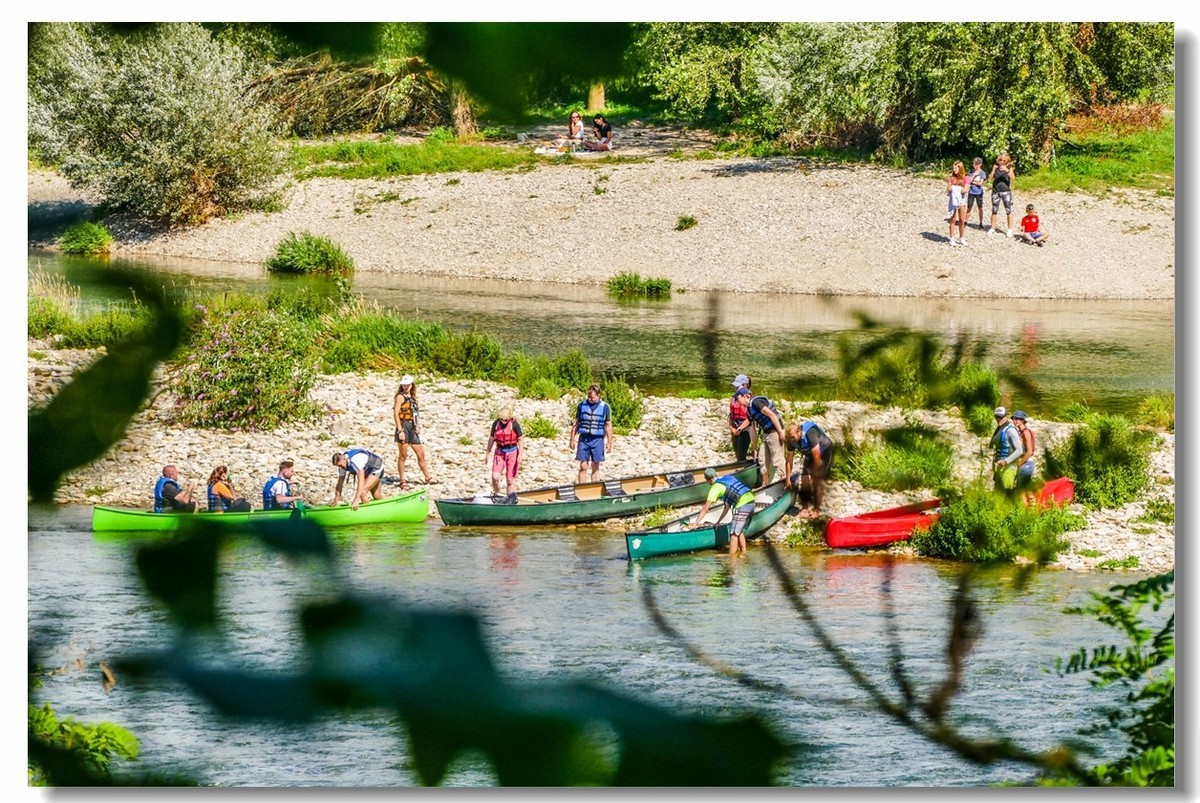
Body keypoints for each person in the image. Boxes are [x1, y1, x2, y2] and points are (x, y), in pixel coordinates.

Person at [690, 467, 757, 556]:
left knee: (733, 534)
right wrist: (718, 522)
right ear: (716, 474)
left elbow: (705, 508)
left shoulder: (715, 488)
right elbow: (727, 507)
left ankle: (732, 562)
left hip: (742, 505)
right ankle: (743, 555)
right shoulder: (728, 477)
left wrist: (695, 524)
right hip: (751, 501)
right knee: (739, 531)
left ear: (708, 480)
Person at [784, 419, 835, 518]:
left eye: (793, 437)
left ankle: (816, 509)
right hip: (809, 454)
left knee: (817, 482)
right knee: (804, 480)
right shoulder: (790, 440)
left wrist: (816, 474)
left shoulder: (810, 433)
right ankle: (805, 507)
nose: (792, 440)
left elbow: (817, 457)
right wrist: (787, 479)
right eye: (790, 438)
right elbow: (789, 459)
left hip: (824, 453)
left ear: (799, 432)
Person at [393, 375, 437, 490]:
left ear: (411, 385)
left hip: (412, 427)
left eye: (407, 385)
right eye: (404, 385)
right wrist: (400, 430)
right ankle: (402, 480)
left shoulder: (412, 398)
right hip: (403, 426)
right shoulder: (400, 397)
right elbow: (396, 413)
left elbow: (414, 413)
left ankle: (427, 477)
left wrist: (417, 426)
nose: (406, 387)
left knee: (420, 454)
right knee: (403, 455)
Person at [736, 387, 786, 483]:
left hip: (774, 431)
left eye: (738, 398)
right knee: (762, 460)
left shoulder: (756, 402)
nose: (737, 401)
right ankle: (766, 485)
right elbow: (752, 429)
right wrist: (755, 448)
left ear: (745, 397)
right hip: (766, 433)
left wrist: (780, 432)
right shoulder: (749, 411)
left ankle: (784, 482)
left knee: (777, 459)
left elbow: (772, 415)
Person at [570, 383, 613, 482]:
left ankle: (595, 488)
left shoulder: (605, 407)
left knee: (595, 465)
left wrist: (610, 443)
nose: (590, 399)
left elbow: (608, 425)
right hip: (584, 439)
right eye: (588, 397)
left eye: (592, 397)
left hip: (597, 440)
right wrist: (572, 439)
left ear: (598, 395)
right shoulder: (581, 405)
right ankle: (582, 489)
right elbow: (576, 423)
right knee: (583, 465)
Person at [485, 407, 523, 496]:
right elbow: (491, 439)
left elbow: (520, 439)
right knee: (495, 477)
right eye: (502, 419)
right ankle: (497, 494)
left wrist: (520, 454)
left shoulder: (514, 424)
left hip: (512, 451)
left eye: (506, 420)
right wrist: (487, 453)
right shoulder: (496, 424)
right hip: (500, 451)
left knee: (510, 479)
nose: (503, 421)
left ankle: (510, 498)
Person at [989, 406, 1022, 492]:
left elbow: (1019, 450)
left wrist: (1006, 461)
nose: (998, 419)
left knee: (1007, 495)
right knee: (998, 495)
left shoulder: (1011, 430)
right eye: (996, 417)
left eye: (1000, 417)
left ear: (1006, 417)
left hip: (1009, 467)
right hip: (999, 466)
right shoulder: (999, 429)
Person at [988, 151, 1016, 237]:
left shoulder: (1009, 167)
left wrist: (1007, 170)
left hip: (1006, 191)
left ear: (1007, 160)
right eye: (1000, 160)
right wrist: (993, 170)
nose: (1002, 162)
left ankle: (1010, 229)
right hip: (996, 190)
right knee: (994, 209)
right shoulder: (995, 167)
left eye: (1004, 160)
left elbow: (1013, 177)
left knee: (1008, 210)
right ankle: (993, 227)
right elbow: (990, 178)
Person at [1011, 410, 1037, 496]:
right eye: (1013, 419)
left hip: (1026, 464)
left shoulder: (1025, 433)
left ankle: (1023, 508)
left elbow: (1029, 452)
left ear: (1022, 420)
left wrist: (1019, 463)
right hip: (1025, 464)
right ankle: (1032, 506)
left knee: (1020, 490)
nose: (1014, 421)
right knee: (1026, 488)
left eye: (1017, 419)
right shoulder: (1020, 432)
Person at [728, 374, 752, 461]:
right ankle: (740, 466)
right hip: (735, 426)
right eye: (736, 386)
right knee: (737, 452)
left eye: (738, 386)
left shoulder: (749, 399)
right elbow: (731, 415)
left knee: (741, 452)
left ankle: (743, 468)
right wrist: (731, 428)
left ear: (745, 385)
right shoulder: (734, 398)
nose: (736, 388)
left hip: (745, 429)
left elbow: (750, 417)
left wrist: (739, 429)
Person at [946, 160, 968, 246]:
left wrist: (957, 189)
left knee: (962, 220)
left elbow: (965, 189)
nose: (954, 170)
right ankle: (952, 238)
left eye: (956, 168)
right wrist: (953, 188)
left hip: (961, 200)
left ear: (960, 168)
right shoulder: (951, 179)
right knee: (953, 219)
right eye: (954, 168)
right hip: (953, 200)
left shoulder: (965, 179)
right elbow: (949, 188)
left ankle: (961, 237)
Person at [967, 157, 987, 229]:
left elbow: (980, 183)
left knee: (980, 207)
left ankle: (981, 222)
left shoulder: (982, 173)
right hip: (971, 191)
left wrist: (972, 181)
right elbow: (968, 181)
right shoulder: (971, 172)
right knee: (969, 207)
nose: (974, 165)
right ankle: (965, 221)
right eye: (973, 164)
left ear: (980, 164)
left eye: (976, 164)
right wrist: (974, 175)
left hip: (979, 192)